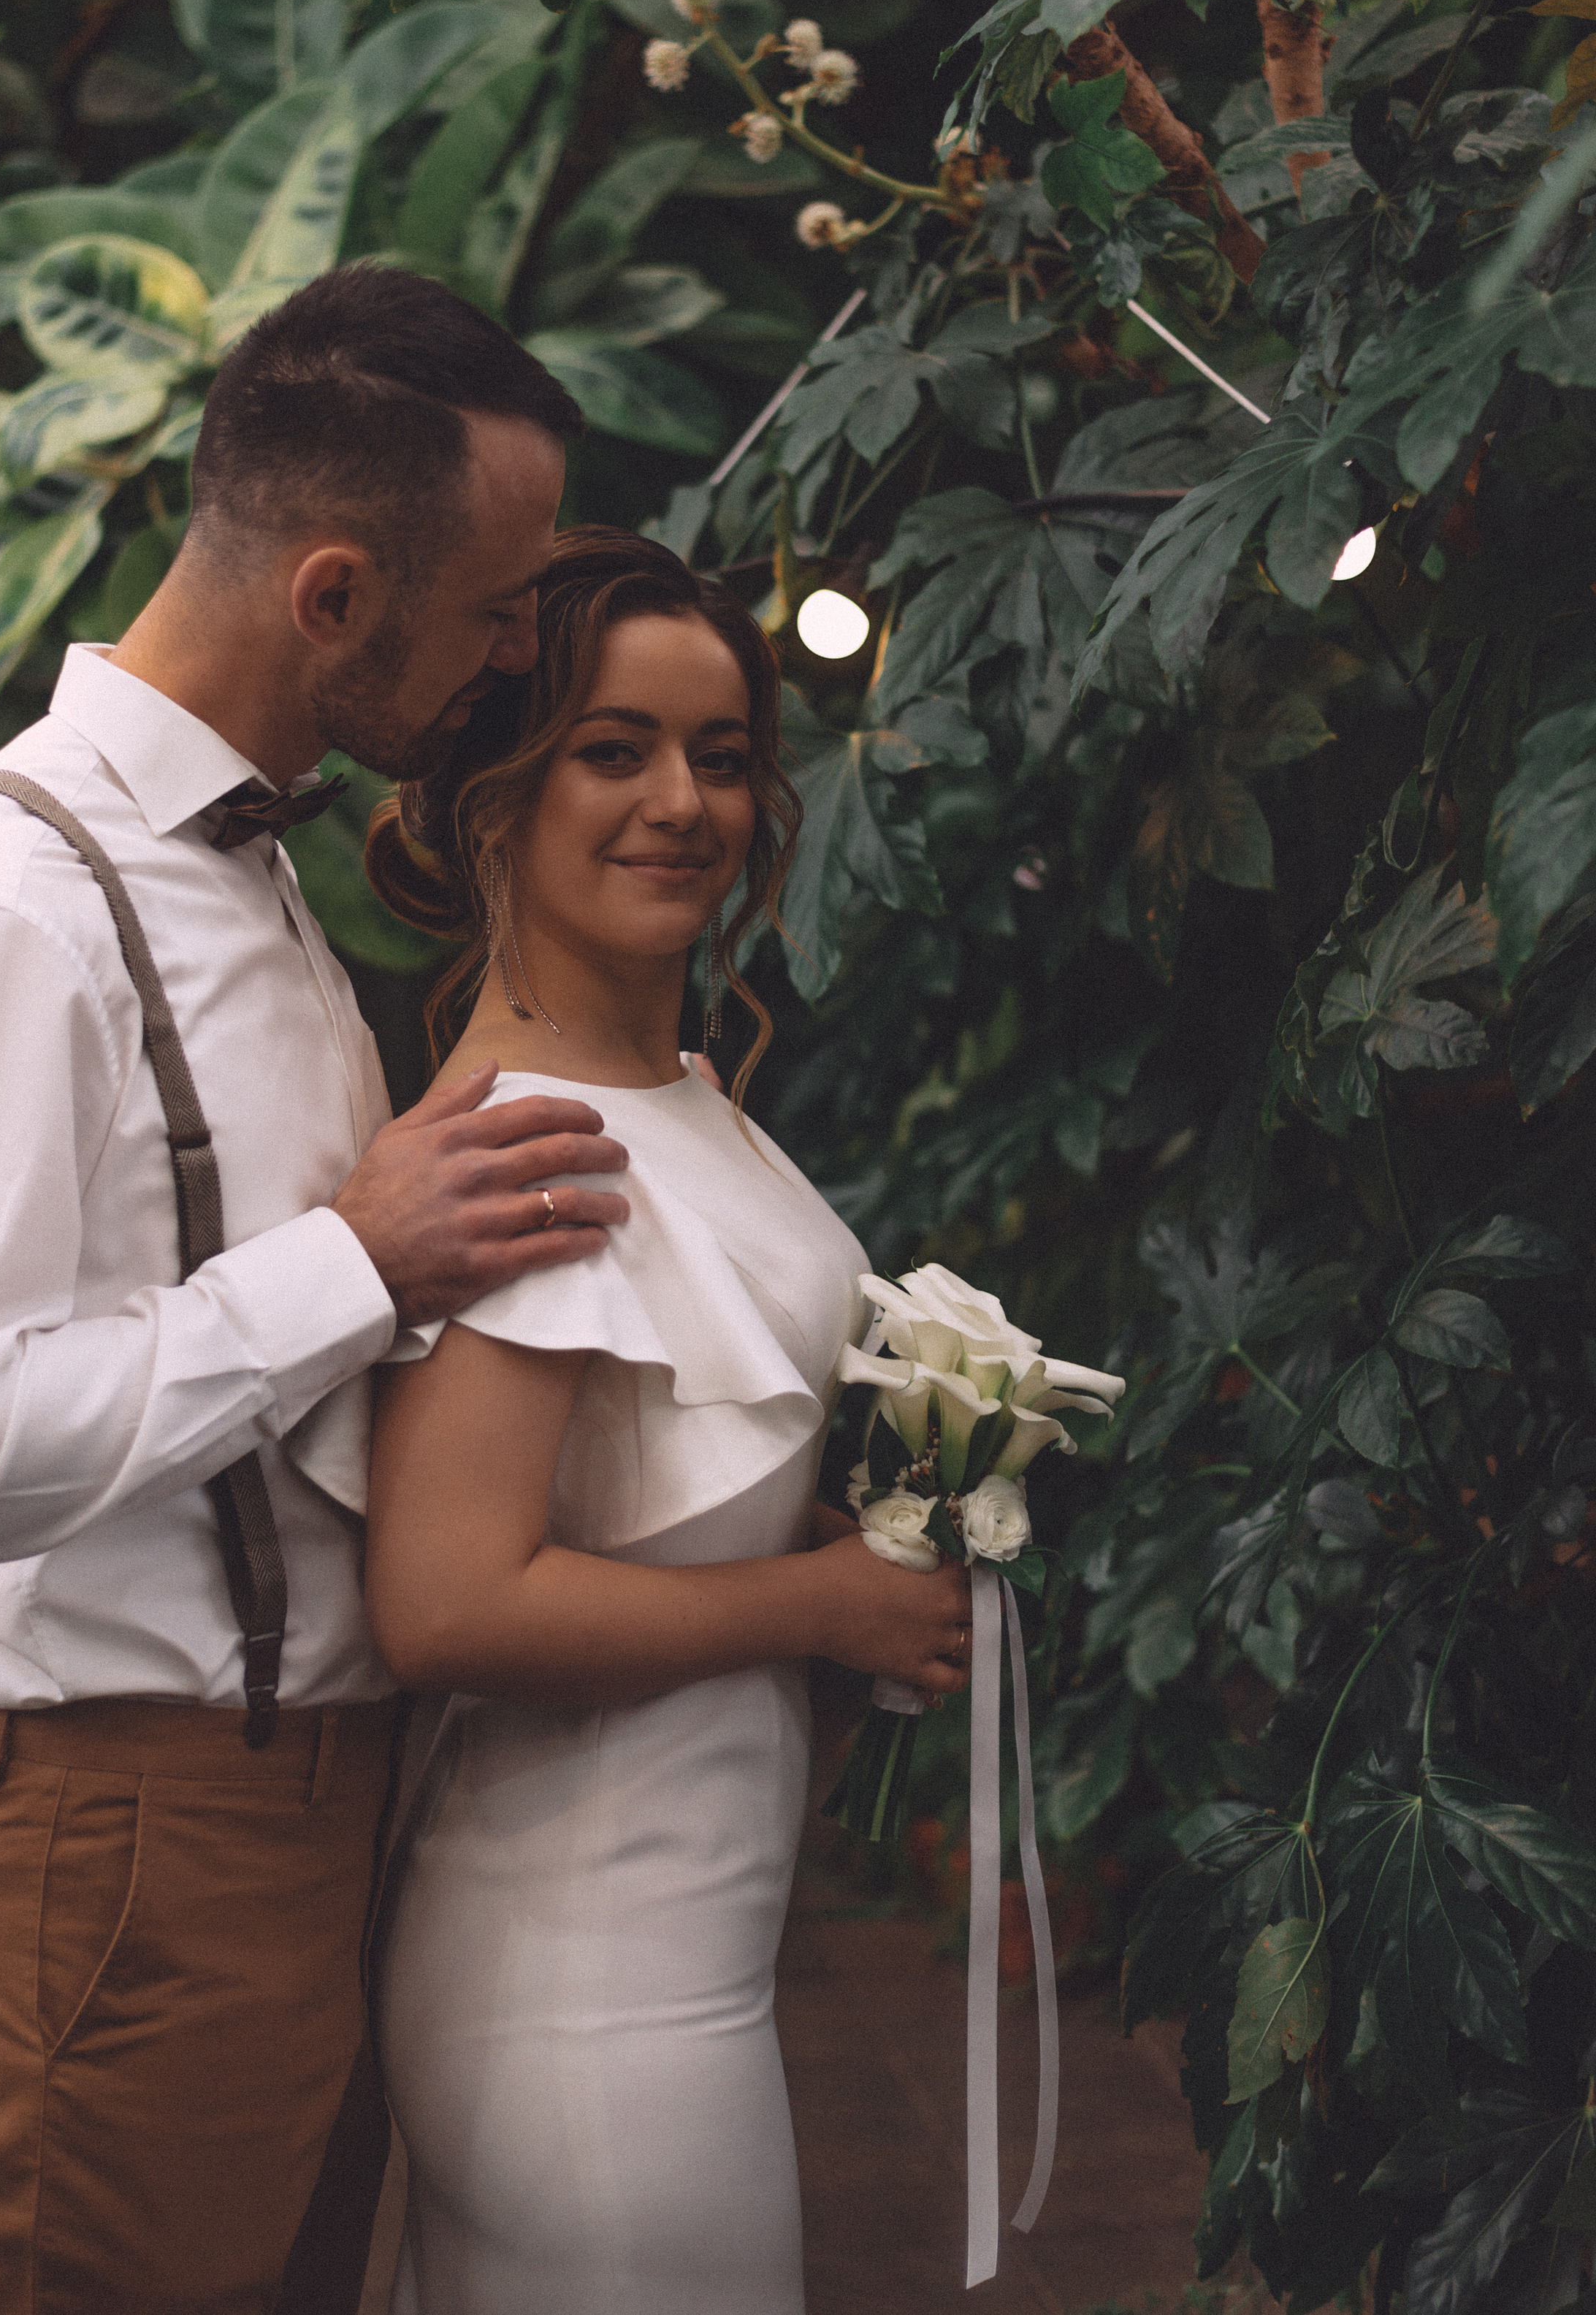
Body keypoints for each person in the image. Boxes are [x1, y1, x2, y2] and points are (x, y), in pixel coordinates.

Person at [0, 266, 641, 2315]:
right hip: (125, 1845)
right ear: (332, 594)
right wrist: (351, 1262)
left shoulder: (246, 872)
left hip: (307, 1824)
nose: (518, 650)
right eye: (498, 604)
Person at [343, 527, 974, 2315]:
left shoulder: (673, 1087)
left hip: (678, 1939)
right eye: (610, 750)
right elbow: (445, 1602)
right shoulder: (528, 1139)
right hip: (581, 1987)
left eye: (718, 753)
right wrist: (823, 1607)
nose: (680, 800)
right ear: (493, 797)